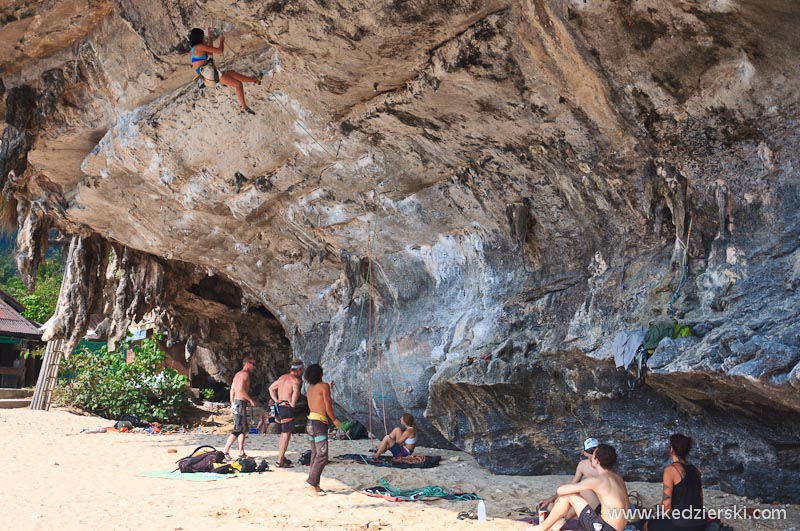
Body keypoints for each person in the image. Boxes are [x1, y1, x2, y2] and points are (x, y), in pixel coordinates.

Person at [531, 444, 629, 531]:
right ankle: (560, 522)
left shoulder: (597, 480)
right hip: (619, 527)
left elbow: (561, 491)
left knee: (568, 497)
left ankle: (542, 528)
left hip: (604, 528)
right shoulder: (619, 478)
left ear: (597, 461)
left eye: (593, 455)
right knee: (585, 492)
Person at [187, 27, 261, 114]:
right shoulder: (200, 47)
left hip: (207, 74)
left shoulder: (195, 48)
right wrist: (221, 41)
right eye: (204, 37)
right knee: (238, 84)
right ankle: (244, 107)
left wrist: (210, 38)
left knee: (232, 73)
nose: (204, 38)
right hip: (210, 74)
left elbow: (210, 52)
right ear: (200, 37)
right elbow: (220, 51)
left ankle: (254, 80)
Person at [645, 434, 705, 531]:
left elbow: (667, 505)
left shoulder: (671, 470)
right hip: (700, 523)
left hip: (681, 524)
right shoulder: (695, 470)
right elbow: (700, 500)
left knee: (648, 524)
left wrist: (660, 515)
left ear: (671, 449)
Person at [536, 438, 602, 519]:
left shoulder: (604, 465)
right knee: (553, 504)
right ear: (585, 453)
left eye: (597, 451)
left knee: (582, 491)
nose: (594, 454)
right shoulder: (583, 465)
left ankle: (562, 519)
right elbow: (572, 485)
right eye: (591, 452)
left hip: (598, 501)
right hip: (587, 497)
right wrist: (550, 500)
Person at [304, 363, 341, 495]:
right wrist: (335, 421)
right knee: (322, 455)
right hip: (319, 424)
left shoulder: (310, 388)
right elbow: (327, 406)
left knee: (315, 453)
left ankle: (316, 484)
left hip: (310, 423)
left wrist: (328, 388)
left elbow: (318, 399)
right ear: (320, 374)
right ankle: (312, 484)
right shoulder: (324, 386)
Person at [267, 359, 304, 467]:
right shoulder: (295, 380)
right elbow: (296, 392)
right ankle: (280, 461)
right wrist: (292, 404)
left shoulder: (282, 378)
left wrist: (276, 400)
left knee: (282, 434)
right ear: (299, 370)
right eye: (302, 371)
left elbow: (271, 388)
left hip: (279, 408)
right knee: (286, 434)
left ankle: (282, 457)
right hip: (287, 408)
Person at [222, 356, 257, 460]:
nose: (254, 367)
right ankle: (225, 451)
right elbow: (240, 390)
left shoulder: (238, 374)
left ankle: (241, 451)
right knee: (238, 429)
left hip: (237, 403)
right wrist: (250, 400)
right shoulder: (244, 375)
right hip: (240, 403)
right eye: (253, 364)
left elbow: (232, 389)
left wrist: (232, 403)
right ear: (247, 363)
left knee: (243, 428)